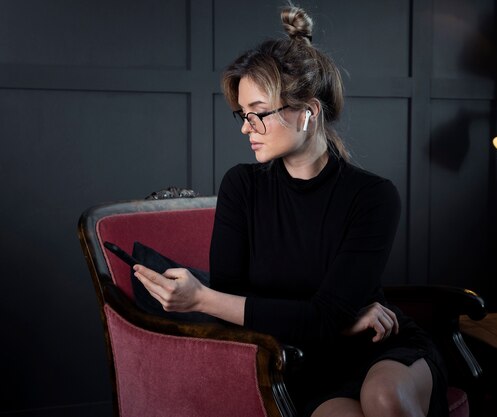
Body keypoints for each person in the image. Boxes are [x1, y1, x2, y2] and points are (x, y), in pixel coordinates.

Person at [133, 5, 449, 417]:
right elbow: (240, 311)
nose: (246, 128)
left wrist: (203, 299)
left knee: (384, 399)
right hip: (302, 361)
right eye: (242, 115)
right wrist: (339, 322)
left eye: (259, 114)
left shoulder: (373, 197)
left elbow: (317, 316)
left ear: (308, 113)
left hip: (380, 346)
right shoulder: (242, 186)